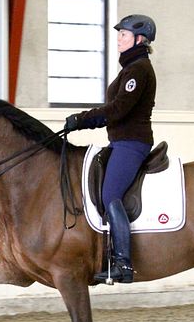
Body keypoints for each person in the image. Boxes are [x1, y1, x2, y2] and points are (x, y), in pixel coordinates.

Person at [64, 14, 157, 283]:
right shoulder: (130, 69)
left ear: (140, 39)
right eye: (119, 34)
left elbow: (118, 110)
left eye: (124, 35)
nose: (119, 38)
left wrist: (82, 120)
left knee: (110, 194)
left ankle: (123, 264)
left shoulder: (139, 70)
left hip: (132, 143)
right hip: (120, 142)